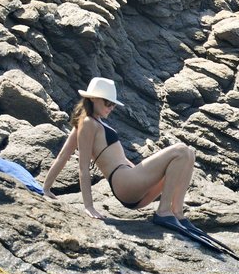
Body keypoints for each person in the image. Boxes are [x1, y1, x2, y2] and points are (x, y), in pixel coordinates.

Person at [43, 77, 201, 234]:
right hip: (125, 183)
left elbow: (62, 155)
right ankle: (164, 211)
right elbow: (83, 167)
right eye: (108, 103)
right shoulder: (88, 123)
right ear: (92, 98)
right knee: (180, 150)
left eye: (113, 104)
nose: (111, 107)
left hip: (132, 184)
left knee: (188, 154)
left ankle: (177, 213)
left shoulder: (92, 123)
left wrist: (46, 187)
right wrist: (89, 206)